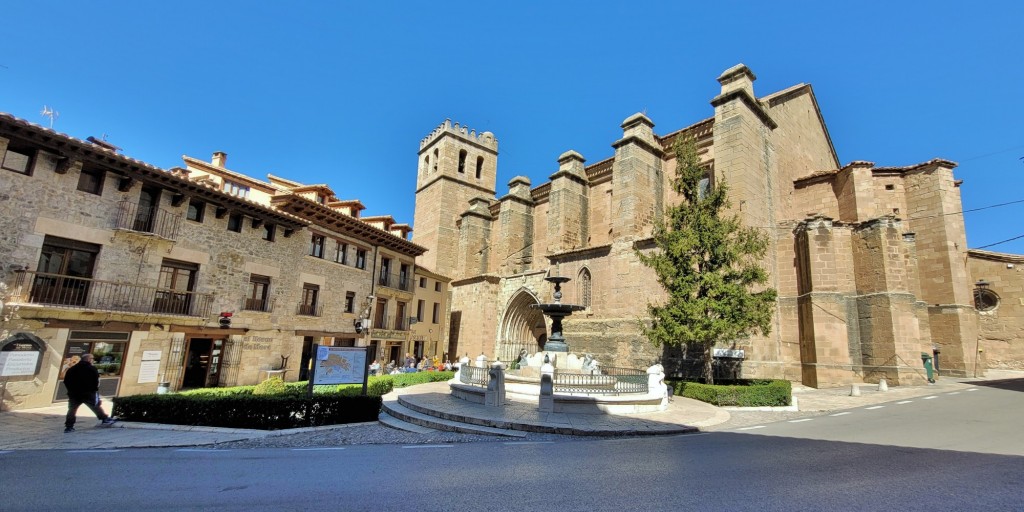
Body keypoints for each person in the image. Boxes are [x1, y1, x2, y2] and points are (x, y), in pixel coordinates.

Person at [62, 353, 116, 433]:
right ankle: (104, 418)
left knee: (72, 410)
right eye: (92, 358)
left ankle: (69, 427)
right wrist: (94, 389)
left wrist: (71, 390)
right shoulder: (91, 368)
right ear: (88, 359)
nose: (93, 360)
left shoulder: (72, 369)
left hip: (74, 394)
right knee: (95, 406)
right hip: (88, 392)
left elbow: (66, 381)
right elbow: (96, 381)